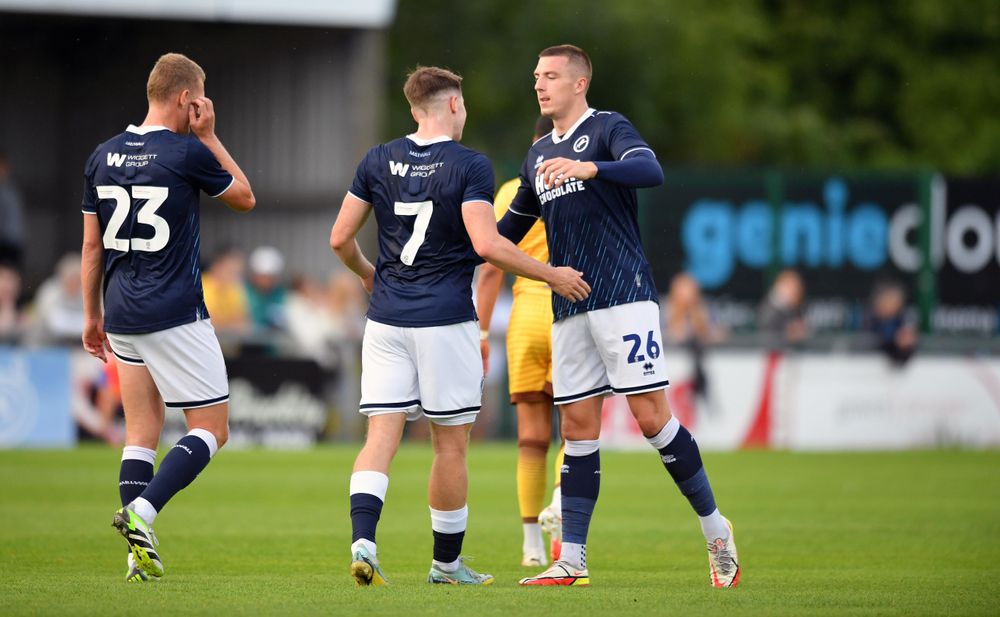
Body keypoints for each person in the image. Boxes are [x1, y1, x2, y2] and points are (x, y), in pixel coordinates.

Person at [329, 65, 590, 587]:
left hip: (386, 319)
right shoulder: (469, 164)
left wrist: (368, 276)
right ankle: (446, 567)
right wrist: (550, 274)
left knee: (381, 435)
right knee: (450, 444)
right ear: (452, 105)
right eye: (464, 104)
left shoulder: (376, 159)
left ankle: (364, 544)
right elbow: (487, 246)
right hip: (445, 319)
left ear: (411, 109)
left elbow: (339, 239)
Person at [497, 45, 740, 588]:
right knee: (577, 429)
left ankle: (716, 530)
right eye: (537, 76)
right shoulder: (537, 157)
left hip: (624, 298)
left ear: (580, 83)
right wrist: (455, 244)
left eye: (552, 76)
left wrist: (592, 167)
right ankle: (572, 559)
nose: (540, 84)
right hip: (568, 306)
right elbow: (505, 235)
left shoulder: (607, 128)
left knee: (652, 418)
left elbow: (650, 171)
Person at [79, 52, 255, 583]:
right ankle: (143, 513)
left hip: (122, 313)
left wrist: (92, 316)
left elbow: (91, 248)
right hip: (175, 311)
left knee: (141, 431)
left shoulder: (102, 155)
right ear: (186, 98)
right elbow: (245, 197)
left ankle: (136, 559)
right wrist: (211, 136)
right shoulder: (185, 152)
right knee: (212, 429)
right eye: (197, 99)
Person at [476, 115, 566, 568]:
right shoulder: (575, 186)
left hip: (525, 316)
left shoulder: (511, 191)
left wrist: (480, 331)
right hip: (571, 313)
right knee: (579, 429)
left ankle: (531, 545)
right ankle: (562, 503)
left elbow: (490, 265)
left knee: (531, 439)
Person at [758, 269, 807, 350]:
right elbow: (766, 336)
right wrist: (788, 335)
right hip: (773, 355)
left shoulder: (796, 308)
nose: (794, 292)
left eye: (796, 289)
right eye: (791, 287)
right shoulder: (769, 309)